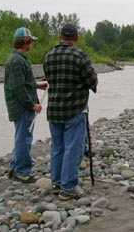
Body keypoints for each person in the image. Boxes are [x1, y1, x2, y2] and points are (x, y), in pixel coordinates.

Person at [43, 24, 98, 200]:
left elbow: (50, 79)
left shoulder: (48, 56)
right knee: (73, 149)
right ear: (76, 38)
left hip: (54, 110)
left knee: (57, 148)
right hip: (75, 109)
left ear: (60, 37)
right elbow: (92, 80)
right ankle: (68, 188)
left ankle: (57, 183)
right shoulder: (79, 55)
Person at [4, 27, 47, 183]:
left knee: (21, 137)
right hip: (22, 108)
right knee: (24, 139)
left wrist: (37, 85)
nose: (32, 44)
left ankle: (15, 167)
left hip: (22, 107)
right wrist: (32, 105)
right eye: (31, 41)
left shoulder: (18, 59)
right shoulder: (16, 61)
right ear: (25, 42)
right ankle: (22, 172)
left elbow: (22, 82)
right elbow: (18, 88)